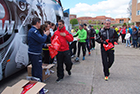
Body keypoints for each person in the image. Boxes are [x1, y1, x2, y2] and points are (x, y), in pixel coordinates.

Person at [28, 17, 50, 81]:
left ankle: (35, 85)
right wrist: (45, 35)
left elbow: (37, 42)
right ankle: (40, 88)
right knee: (38, 71)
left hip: (34, 53)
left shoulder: (33, 31)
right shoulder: (33, 31)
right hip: (35, 53)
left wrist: (45, 45)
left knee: (35, 70)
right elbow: (41, 39)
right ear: (37, 23)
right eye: (40, 23)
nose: (40, 25)